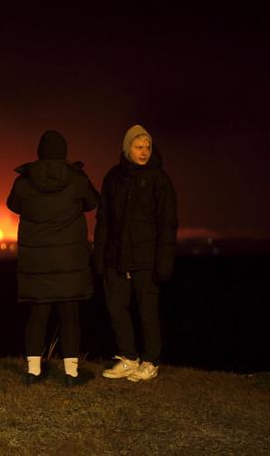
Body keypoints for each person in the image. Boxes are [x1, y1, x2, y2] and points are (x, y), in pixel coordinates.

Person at [6, 130, 100, 387]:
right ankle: (71, 374)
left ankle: (33, 371)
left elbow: (12, 205)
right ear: (64, 151)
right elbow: (93, 202)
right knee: (70, 316)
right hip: (69, 262)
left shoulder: (24, 181)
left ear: (40, 151)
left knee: (38, 315)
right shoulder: (77, 179)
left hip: (37, 264)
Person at [93, 124, 178, 382]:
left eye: (148, 147)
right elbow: (103, 220)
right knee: (117, 308)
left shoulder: (159, 180)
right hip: (116, 257)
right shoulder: (113, 178)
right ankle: (129, 358)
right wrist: (100, 258)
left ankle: (150, 361)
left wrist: (163, 263)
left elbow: (168, 223)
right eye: (138, 147)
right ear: (127, 147)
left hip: (146, 259)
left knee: (147, 311)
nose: (144, 152)